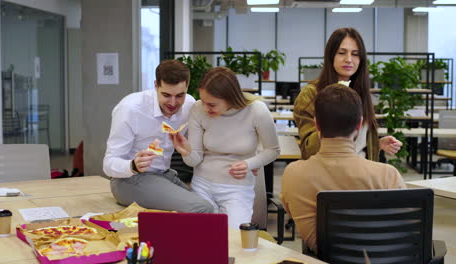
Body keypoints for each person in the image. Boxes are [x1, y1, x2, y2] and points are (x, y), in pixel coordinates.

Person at [281, 84, 407, 254]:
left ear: (317, 125)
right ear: (359, 125)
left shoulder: (293, 174)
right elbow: (403, 229)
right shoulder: (387, 175)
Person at [170, 67, 280, 228]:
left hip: (238, 189)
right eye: (203, 101)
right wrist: (186, 152)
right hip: (202, 185)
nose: (206, 108)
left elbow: (273, 150)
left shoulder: (257, 111)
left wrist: (249, 164)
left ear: (230, 98)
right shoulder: (198, 109)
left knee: (233, 241)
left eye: (212, 104)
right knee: (200, 237)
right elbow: (195, 160)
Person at [103, 59, 213, 213]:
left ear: (187, 87)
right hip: (129, 179)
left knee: (213, 208)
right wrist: (133, 165)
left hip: (166, 175)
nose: (173, 103)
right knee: (202, 208)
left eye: (180, 95)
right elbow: (108, 164)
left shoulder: (189, 104)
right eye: (166, 95)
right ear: (156, 85)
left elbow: (200, 147)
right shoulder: (129, 109)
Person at [294, 27, 401, 161]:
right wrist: (332, 118)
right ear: (330, 55)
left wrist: (377, 144)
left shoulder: (360, 92)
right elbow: (308, 150)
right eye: (342, 53)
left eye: (355, 54)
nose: (349, 59)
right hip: (329, 174)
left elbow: (357, 146)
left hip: (361, 172)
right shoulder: (310, 94)